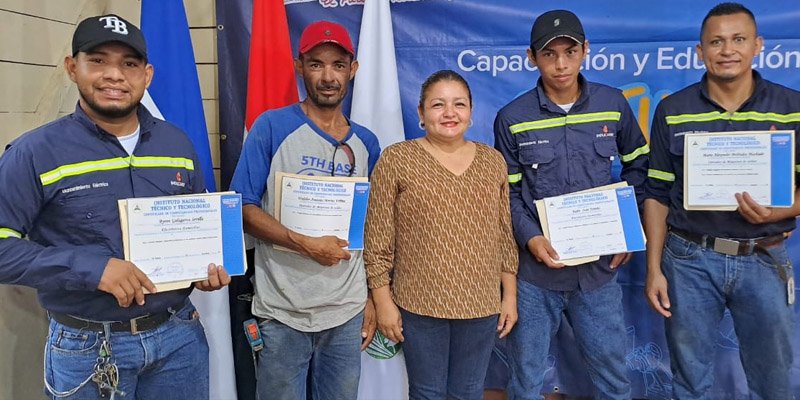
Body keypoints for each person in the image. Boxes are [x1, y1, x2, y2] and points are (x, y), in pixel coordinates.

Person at [0, 14, 231, 399]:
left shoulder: (177, 145)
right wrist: (92, 268)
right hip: (87, 345)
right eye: (98, 60)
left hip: (179, 338)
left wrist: (206, 265)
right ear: (73, 68)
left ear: (148, 75)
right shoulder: (34, 152)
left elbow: (196, 226)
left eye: (129, 64)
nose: (114, 75)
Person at [644, 3, 799, 399]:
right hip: (689, 260)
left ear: (758, 45)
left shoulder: (791, 108)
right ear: (700, 51)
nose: (727, 49)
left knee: (775, 380)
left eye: (738, 39)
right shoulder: (672, 110)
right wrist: (653, 269)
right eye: (716, 41)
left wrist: (788, 209)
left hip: (764, 257)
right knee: (690, 379)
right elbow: (657, 195)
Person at [494, 9, 650, 400]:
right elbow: (506, 195)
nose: (561, 64)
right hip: (535, 277)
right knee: (526, 381)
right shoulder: (513, 118)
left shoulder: (613, 104)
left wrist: (625, 229)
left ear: (585, 51)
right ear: (532, 57)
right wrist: (530, 239)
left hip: (597, 273)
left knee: (613, 379)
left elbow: (640, 167)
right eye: (549, 54)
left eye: (570, 51)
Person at [229, 20, 380, 400]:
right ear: (300, 66)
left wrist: (372, 297)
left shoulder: (367, 143)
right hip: (283, 311)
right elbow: (242, 206)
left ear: (353, 69)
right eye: (316, 64)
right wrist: (304, 243)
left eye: (338, 65)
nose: (328, 76)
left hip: (346, 312)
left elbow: (375, 226)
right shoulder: (272, 127)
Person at [364, 69, 518, 400]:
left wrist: (510, 296)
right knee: (427, 392)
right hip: (419, 305)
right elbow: (377, 239)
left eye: (459, 104)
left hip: (480, 304)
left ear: (471, 112)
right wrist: (383, 301)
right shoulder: (397, 159)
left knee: (468, 392)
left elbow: (505, 234)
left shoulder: (493, 163)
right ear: (421, 113)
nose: (449, 113)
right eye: (438, 105)